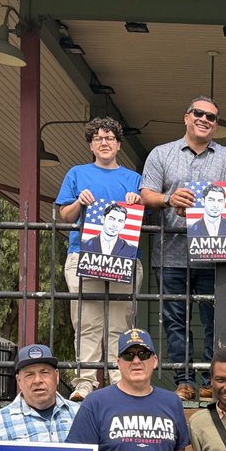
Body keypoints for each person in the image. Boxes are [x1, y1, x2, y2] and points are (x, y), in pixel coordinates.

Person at [140, 96, 226, 403]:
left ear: (215, 124)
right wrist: (169, 199)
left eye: (211, 117)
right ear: (186, 117)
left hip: (215, 253)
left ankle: (210, 380)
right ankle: (184, 380)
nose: (204, 119)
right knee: (176, 320)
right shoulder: (161, 153)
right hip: (171, 253)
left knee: (215, 320)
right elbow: (146, 194)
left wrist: (200, 201)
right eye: (199, 113)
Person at [56, 117, 143, 401]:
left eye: (109, 138)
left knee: (121, 323)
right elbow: (65, 216)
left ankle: (121, 380)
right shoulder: (77, 174)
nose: (104, 143)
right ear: (91, 145)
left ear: (118, 145)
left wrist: (137, 201)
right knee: (86, 322)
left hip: (123, 258)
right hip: (84, 255)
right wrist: (78, 202)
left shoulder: (133, 179)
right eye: (97, 139)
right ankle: (85, 383)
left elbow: (142, 218)